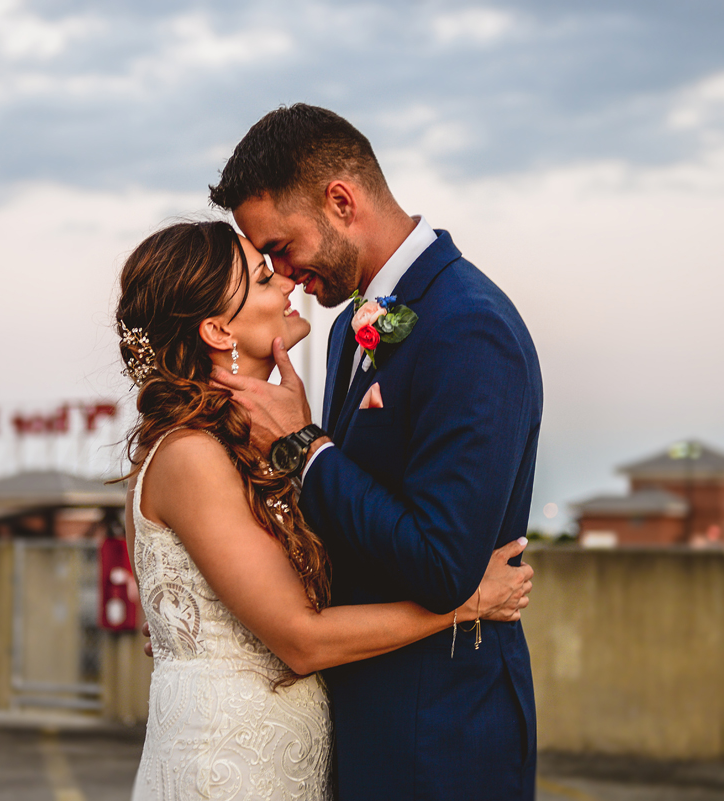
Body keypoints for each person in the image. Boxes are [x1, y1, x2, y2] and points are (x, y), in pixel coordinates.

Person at [116, 220, 535, 801]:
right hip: (231, 767)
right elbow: (302, 640)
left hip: (289, 756)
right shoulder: (192, 455)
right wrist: (468, 601)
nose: (286, 280)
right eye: (264, 278)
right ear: (216, 329)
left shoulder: (247, 446)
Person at [210, 105, 543, 800]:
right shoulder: (346, 332)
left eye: (280, 245)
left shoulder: (469, 325)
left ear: (340, 201)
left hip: (442, 737)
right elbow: (342, 526)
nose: (281, 271)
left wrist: (305, 446)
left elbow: (442, 565)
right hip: (361, 721)